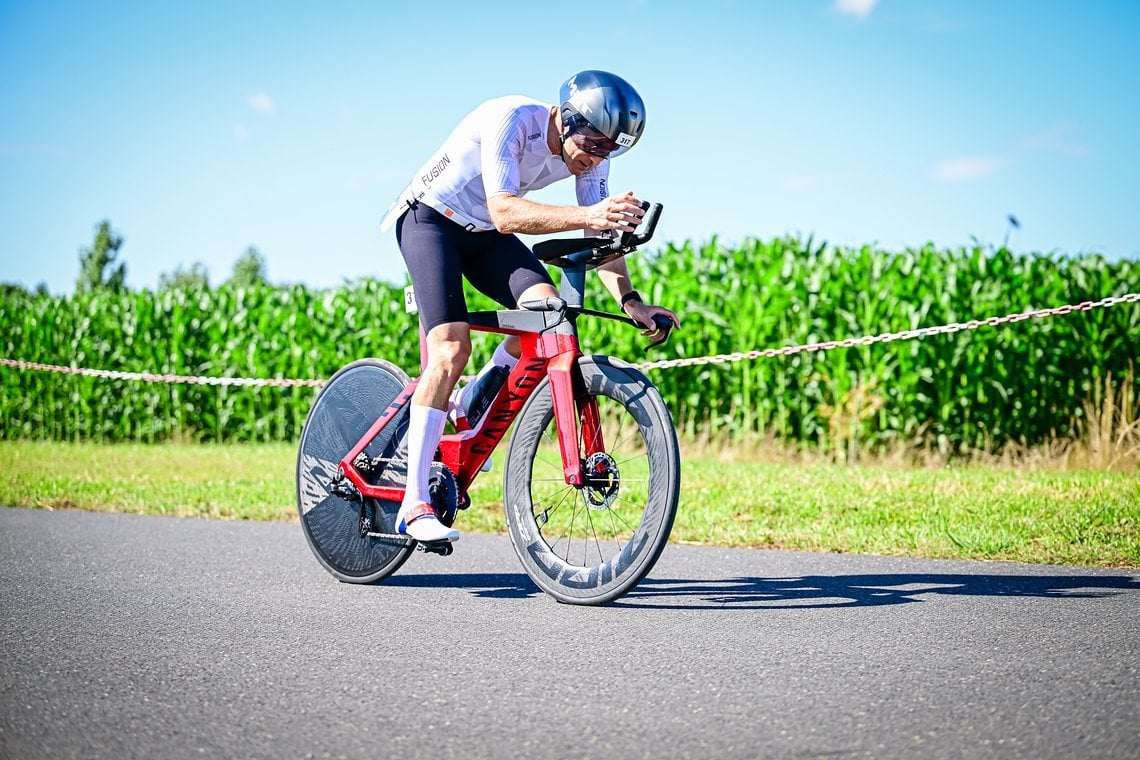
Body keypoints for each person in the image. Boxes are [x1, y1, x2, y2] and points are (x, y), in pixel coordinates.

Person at [380, 70, 679, 543]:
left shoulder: (592, 154)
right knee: (451, 351)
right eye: (596, 145)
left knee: (549, 316)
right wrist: (590, 215)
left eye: (612, 151)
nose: (599, 158)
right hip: (432, 221)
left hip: (484, 239)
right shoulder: (511, 119)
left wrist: (630, 299)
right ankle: (414, 503)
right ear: (566, 117)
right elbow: (505, 212)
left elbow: (600, 235)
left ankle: (475, 395)